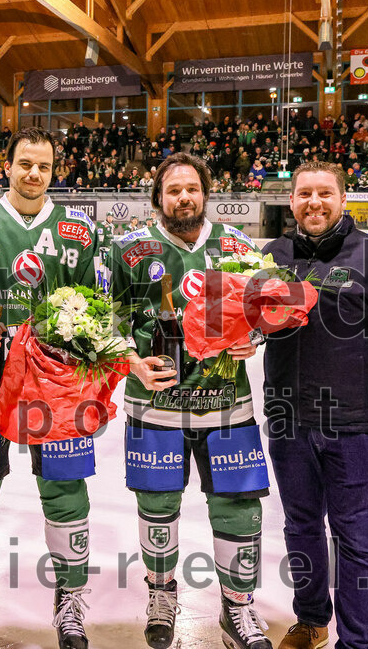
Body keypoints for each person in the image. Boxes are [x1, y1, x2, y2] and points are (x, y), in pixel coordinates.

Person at [0, 127, 99, 649]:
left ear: (56, 172)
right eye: (24, 164)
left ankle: (70, 602)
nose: (34, 174)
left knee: (65, 487)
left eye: (44, 167)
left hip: (55, 378)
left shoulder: (79, 229)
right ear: (5, 166)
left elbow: (94, 306)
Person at [263, 161, 368, 649]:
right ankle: (312, 620)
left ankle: (355, 642)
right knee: (300, 528)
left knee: (355, 541)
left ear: (342, 198)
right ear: (290, 200)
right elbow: (250, 325)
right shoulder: (273, 257)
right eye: (303, 194)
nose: (313, 203)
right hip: (288, 420)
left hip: (353, 426)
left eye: (324, 193)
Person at [108, 152, 272, 649]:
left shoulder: (237, 246)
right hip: (154, 407)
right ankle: (161, 598)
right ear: (158, 196)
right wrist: (130, 360)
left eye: (192, 189)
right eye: (174, 189)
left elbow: (264, 313)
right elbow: (109, 322)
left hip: (228, 405)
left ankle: (237, 610)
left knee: (238, 506)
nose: (184, 197)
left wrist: (256, 337)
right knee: (157, 506)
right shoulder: (129, 249)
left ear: (206, 193)